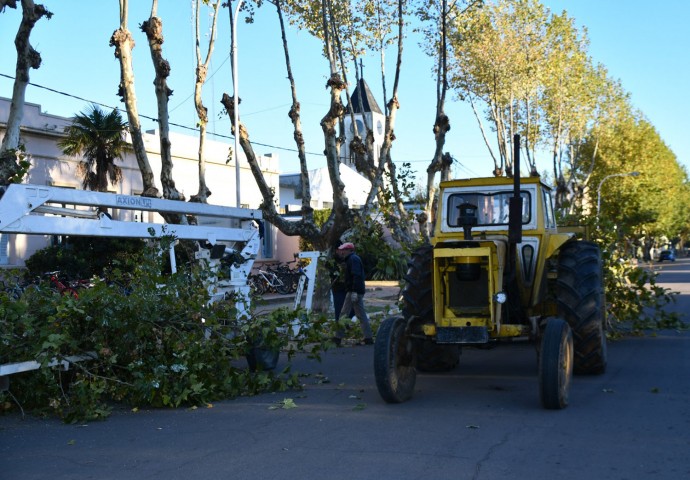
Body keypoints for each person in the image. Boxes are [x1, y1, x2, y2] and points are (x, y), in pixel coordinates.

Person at [331, 242, 373, 346]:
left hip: (354, 291)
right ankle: (368, 338)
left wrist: (354, 291)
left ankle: (338, 338)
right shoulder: (351, 259)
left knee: (344, 314)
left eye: (344, 250)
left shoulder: (353, 259)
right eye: (341, 250)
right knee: (359, 315)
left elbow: (357, 276)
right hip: (355, 291)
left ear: (349, 250)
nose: (341, 251)